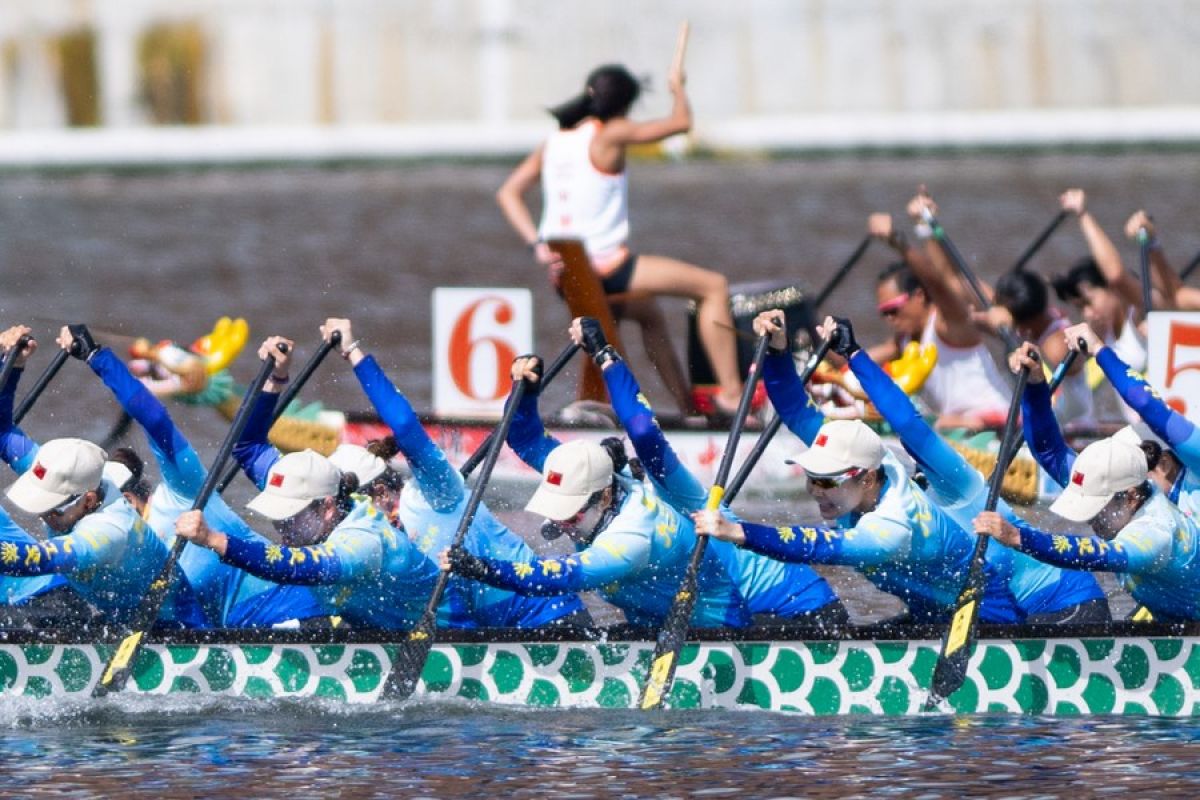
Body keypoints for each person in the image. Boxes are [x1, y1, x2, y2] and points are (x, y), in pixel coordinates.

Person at [693, 312, 1101, 625]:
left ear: (865, 476)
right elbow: (796, 411)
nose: (817, 491)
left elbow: (817, 544)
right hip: (962, 616)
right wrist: (779, 353)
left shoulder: (901, 519)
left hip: (1056, 608)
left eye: (827, 481)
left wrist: (740, 532)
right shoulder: (867, 458)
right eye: (812, 479)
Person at [813, 314, 1107, 623]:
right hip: (981, 615)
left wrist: (855, 355)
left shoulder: (954, 487)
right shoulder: (875, 521)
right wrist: (777, 356)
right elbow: (801, 419)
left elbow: (906, 421)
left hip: (1062, 604)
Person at [557, 316, 848, 625]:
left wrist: (605, 356)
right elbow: (532, 444)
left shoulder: (668, 493)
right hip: (710, 620)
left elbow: (643, 432)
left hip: (797, 611)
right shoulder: (583, 500)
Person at [495, 58, 744, 416]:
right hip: (607, 269)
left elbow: (509, 193)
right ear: (625, 105)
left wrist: (537, 245)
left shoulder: (554, 141)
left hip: (568, 275)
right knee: (713, 286)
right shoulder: (610, 133)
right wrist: (678, 88)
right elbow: (681, 124)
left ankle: (687, 410)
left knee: (650, 314)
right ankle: (733, 397)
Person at [442, 352, 754, 628]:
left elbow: (556, 578)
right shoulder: (585, 473)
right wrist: (524, 391)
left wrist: (483, 569)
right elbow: (525, 439)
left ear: (604, 496)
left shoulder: (630, 537)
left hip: (715, 633)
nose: (562, 524)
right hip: (651, 627)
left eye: (571, 514)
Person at [320, 318, 590, 628]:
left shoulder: (434, 494)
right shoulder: (375, 543)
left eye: (344, 503)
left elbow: (406, 426)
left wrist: (353, 353)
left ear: (379, 494)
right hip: (484, 638)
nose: (337, 516)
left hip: (546, 614)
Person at [175, 336, 447, 629]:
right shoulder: (307, 485)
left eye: (290, 518)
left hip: (445, 640)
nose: (281, 529)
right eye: (279, 518)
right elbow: (248, 446)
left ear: (328, 507)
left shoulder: (363, 539)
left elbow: (296, 566)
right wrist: (274, 380)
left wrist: (214, 540)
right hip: (371, 627)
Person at [62, 324, 324, 628]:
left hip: (295, 612)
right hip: (234, 638)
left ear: (127, 499)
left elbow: (156, 420)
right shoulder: (115, 549)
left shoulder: (182, 493)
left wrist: (98, 358)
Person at [0, 326, 204, 628]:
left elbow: (34, 558)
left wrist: (102, 358)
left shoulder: (106, 531)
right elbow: (3, 433)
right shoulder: (66, 471)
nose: (43, 511)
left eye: (52, 504)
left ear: (89, 501)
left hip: (173, 635)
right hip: (114, 622)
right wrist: (11, 365)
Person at [975, 437, 1200, 622]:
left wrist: (1018, 537)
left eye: (1097, 508)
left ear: (1131, 498)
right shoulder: (1125, 484)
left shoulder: (1155, 533)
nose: (1090, 519)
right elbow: (1050, 450)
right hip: (1172, 616)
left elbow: (1094, 554)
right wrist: (1035, 387)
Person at [866, 193, 1011, 429]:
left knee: (924, 423)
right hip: (958, 429)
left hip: (999, 425)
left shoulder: (947, 323)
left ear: (920, 296)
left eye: (893, 309)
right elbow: (855, 362)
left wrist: (899, 241)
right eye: (884, 313)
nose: (889, 319)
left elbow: (939, 283)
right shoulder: (903, 341)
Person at [971, 268, 1094, 430]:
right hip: (1039, 421)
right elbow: (970, 287)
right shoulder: (1032, 316)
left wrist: (998, 325)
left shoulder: (1057, 345)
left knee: (977, 421)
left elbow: (1078, 407)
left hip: (1067, 430)